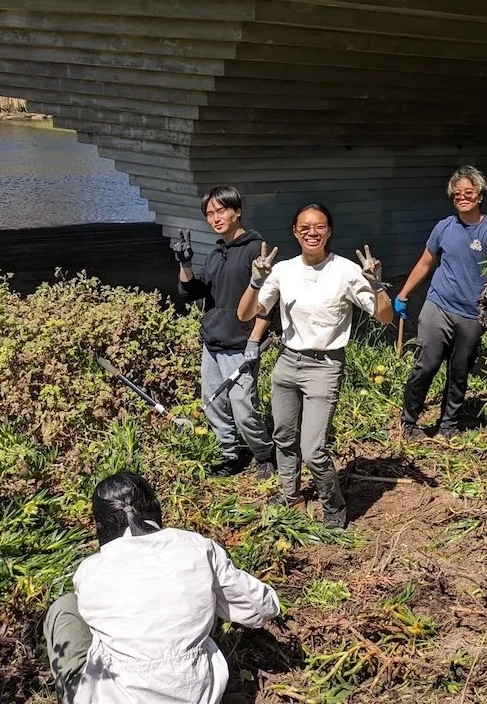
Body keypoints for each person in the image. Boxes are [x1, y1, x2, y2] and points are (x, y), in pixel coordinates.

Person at [43, 471, 281, 704]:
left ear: (101, 524)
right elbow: (261, 609)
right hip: (198, 695)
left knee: (65, 606)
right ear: (154, 508)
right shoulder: (196, 547)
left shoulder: (90, 570)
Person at [236, 204, 393, 528]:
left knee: (313, 448)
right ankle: (290, 495)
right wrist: (255, 281)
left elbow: (385, 317)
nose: (312, 232)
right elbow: (245, 315)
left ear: (329, 231)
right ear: (295, 231)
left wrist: (377, 286)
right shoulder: (282, 270)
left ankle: (333, 505)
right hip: (287, 362)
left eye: (319, 226)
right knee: (283, 434)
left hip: (324, 366)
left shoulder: (347, 271)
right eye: (304, 227)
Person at [175, 186, 276, 479]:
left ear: (237, 210)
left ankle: (262, 455)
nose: (215, 218)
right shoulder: (216, 252)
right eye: (209, 214)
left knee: (244, 407)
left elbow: (268, 301)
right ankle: (229, 453)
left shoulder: (257, 250)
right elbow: (193, 291)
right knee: (213, 402)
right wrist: (185, 265)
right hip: (213, 342)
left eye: (221, 210)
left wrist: (255, 341)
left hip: (241, 343)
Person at [395, 166, 487, 440]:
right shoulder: (444, 227)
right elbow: (426, 261)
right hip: (438, 305)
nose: (462, 197)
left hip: (473, 313)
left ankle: (448, 426)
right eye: (457, 194)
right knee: (426, 365)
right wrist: (403, 294)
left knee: (459, 371)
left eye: (468, 192)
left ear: (480, 196)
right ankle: (408, 422)